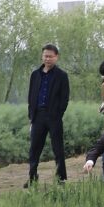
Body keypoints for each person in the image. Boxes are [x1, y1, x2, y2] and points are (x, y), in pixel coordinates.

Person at [27, 43, 70, 186]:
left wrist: (58, 114)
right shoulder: (35, 74)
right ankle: (32, 177)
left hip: (54, 116)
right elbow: (31, 96)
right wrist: (31, 115)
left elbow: (65, 98)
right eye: (45, 56)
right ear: (42, 56)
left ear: (56, 57)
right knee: (34, 148)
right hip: (37, 116)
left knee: (58, 148)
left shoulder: (62, 76)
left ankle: (61, 178)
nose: (48, 59)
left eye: (51, 56)